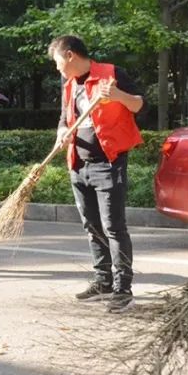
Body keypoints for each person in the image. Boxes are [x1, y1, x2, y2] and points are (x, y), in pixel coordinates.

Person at [49, 35, 145, 313]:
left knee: (114, 227)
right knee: (91, 226)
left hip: (108, 163)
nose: (57, 69)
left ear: (69, 55)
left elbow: (140, 104)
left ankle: (123, 289)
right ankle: (103, 281)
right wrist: (61, 133)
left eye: (57, 62)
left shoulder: (112, 75)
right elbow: (64, 119)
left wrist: (118, 96)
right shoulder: (69, 86)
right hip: (78, 163)